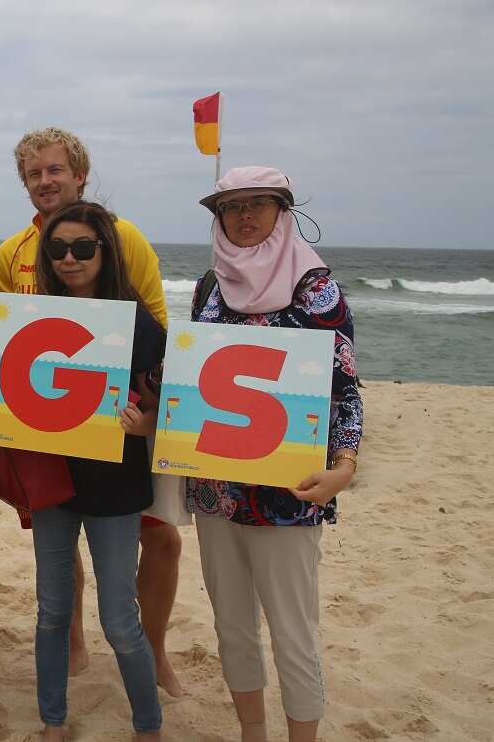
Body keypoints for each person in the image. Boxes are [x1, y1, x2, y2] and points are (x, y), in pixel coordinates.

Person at [0, 128, 181, 692]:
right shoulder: (10, 253)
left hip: (117, 426)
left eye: (54, 170)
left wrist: (145, 413)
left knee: (163, 537)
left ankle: (158, 651)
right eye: (33, 174)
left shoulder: (124, 239)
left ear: (79, 173)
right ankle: (72, 642)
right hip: (45, 426)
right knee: (57, 540)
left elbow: (155, 335)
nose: (45, 182)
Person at [189, 167, 362, 742]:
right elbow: (197, 380)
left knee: (294, 632)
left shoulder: (316, 289)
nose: (243, 216)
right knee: (233, 625)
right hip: (217, 489)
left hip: (290, 491)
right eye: (230, 207)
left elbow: (344, 390)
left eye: (257, 204)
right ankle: (252, 734)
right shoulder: (209, 287)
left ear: (281, 210)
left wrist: (345, 468)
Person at [7, 201, 165, 740]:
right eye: (57, 248)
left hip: (116, 487)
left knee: (120, 622)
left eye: (82, 248)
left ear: (105, 251)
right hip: (53, 481)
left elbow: (166, 404)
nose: (69, 259)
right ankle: (53, 720)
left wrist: (146, 426)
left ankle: (148, 726)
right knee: (52, 611)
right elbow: (8, 389)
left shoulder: (137, 320)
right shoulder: (30, 315)